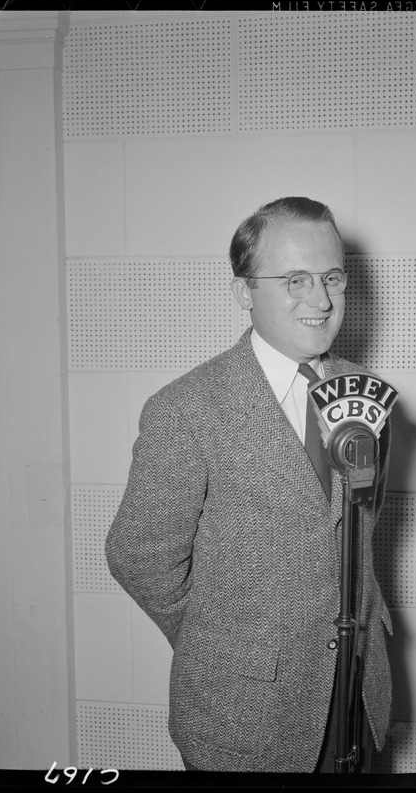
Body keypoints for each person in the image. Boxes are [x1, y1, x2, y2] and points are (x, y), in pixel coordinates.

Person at [105, 196, 393, 773]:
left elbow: (356, 529)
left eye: (333, 276)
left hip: (359, 694)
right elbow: (137, 556)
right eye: (295, 279)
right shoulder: (186, 410)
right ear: (244, 292)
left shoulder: (369, 395)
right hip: (245, 716)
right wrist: (222, 640)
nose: (322, 298)